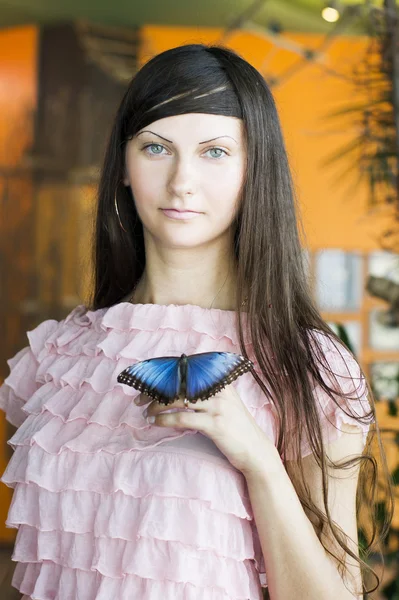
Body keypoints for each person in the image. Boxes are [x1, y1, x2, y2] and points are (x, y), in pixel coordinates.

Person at [0, 43, 393, 600]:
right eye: (157, 147)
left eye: (215, 152)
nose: (182, 179)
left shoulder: (308, 366)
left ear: (253, 170)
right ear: (124, 167)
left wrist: (256, 457)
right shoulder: (57, 359)